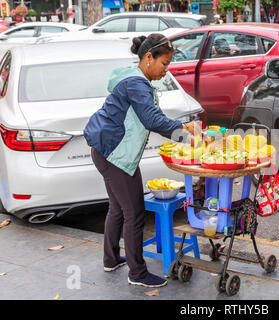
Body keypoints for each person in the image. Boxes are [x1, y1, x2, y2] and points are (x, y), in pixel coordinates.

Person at [84, 34, 198, 288]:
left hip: (105, 150)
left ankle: (111, 259)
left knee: (117, 208)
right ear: (148, 58)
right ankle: (137, 273)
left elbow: (151, 114)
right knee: (134, 213)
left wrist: (183, 127)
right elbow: (153, 120)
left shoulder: (133, 78)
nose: (166, 71)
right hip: (115, 155)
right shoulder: (137, 84)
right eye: (164, 64)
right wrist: (185, 134)